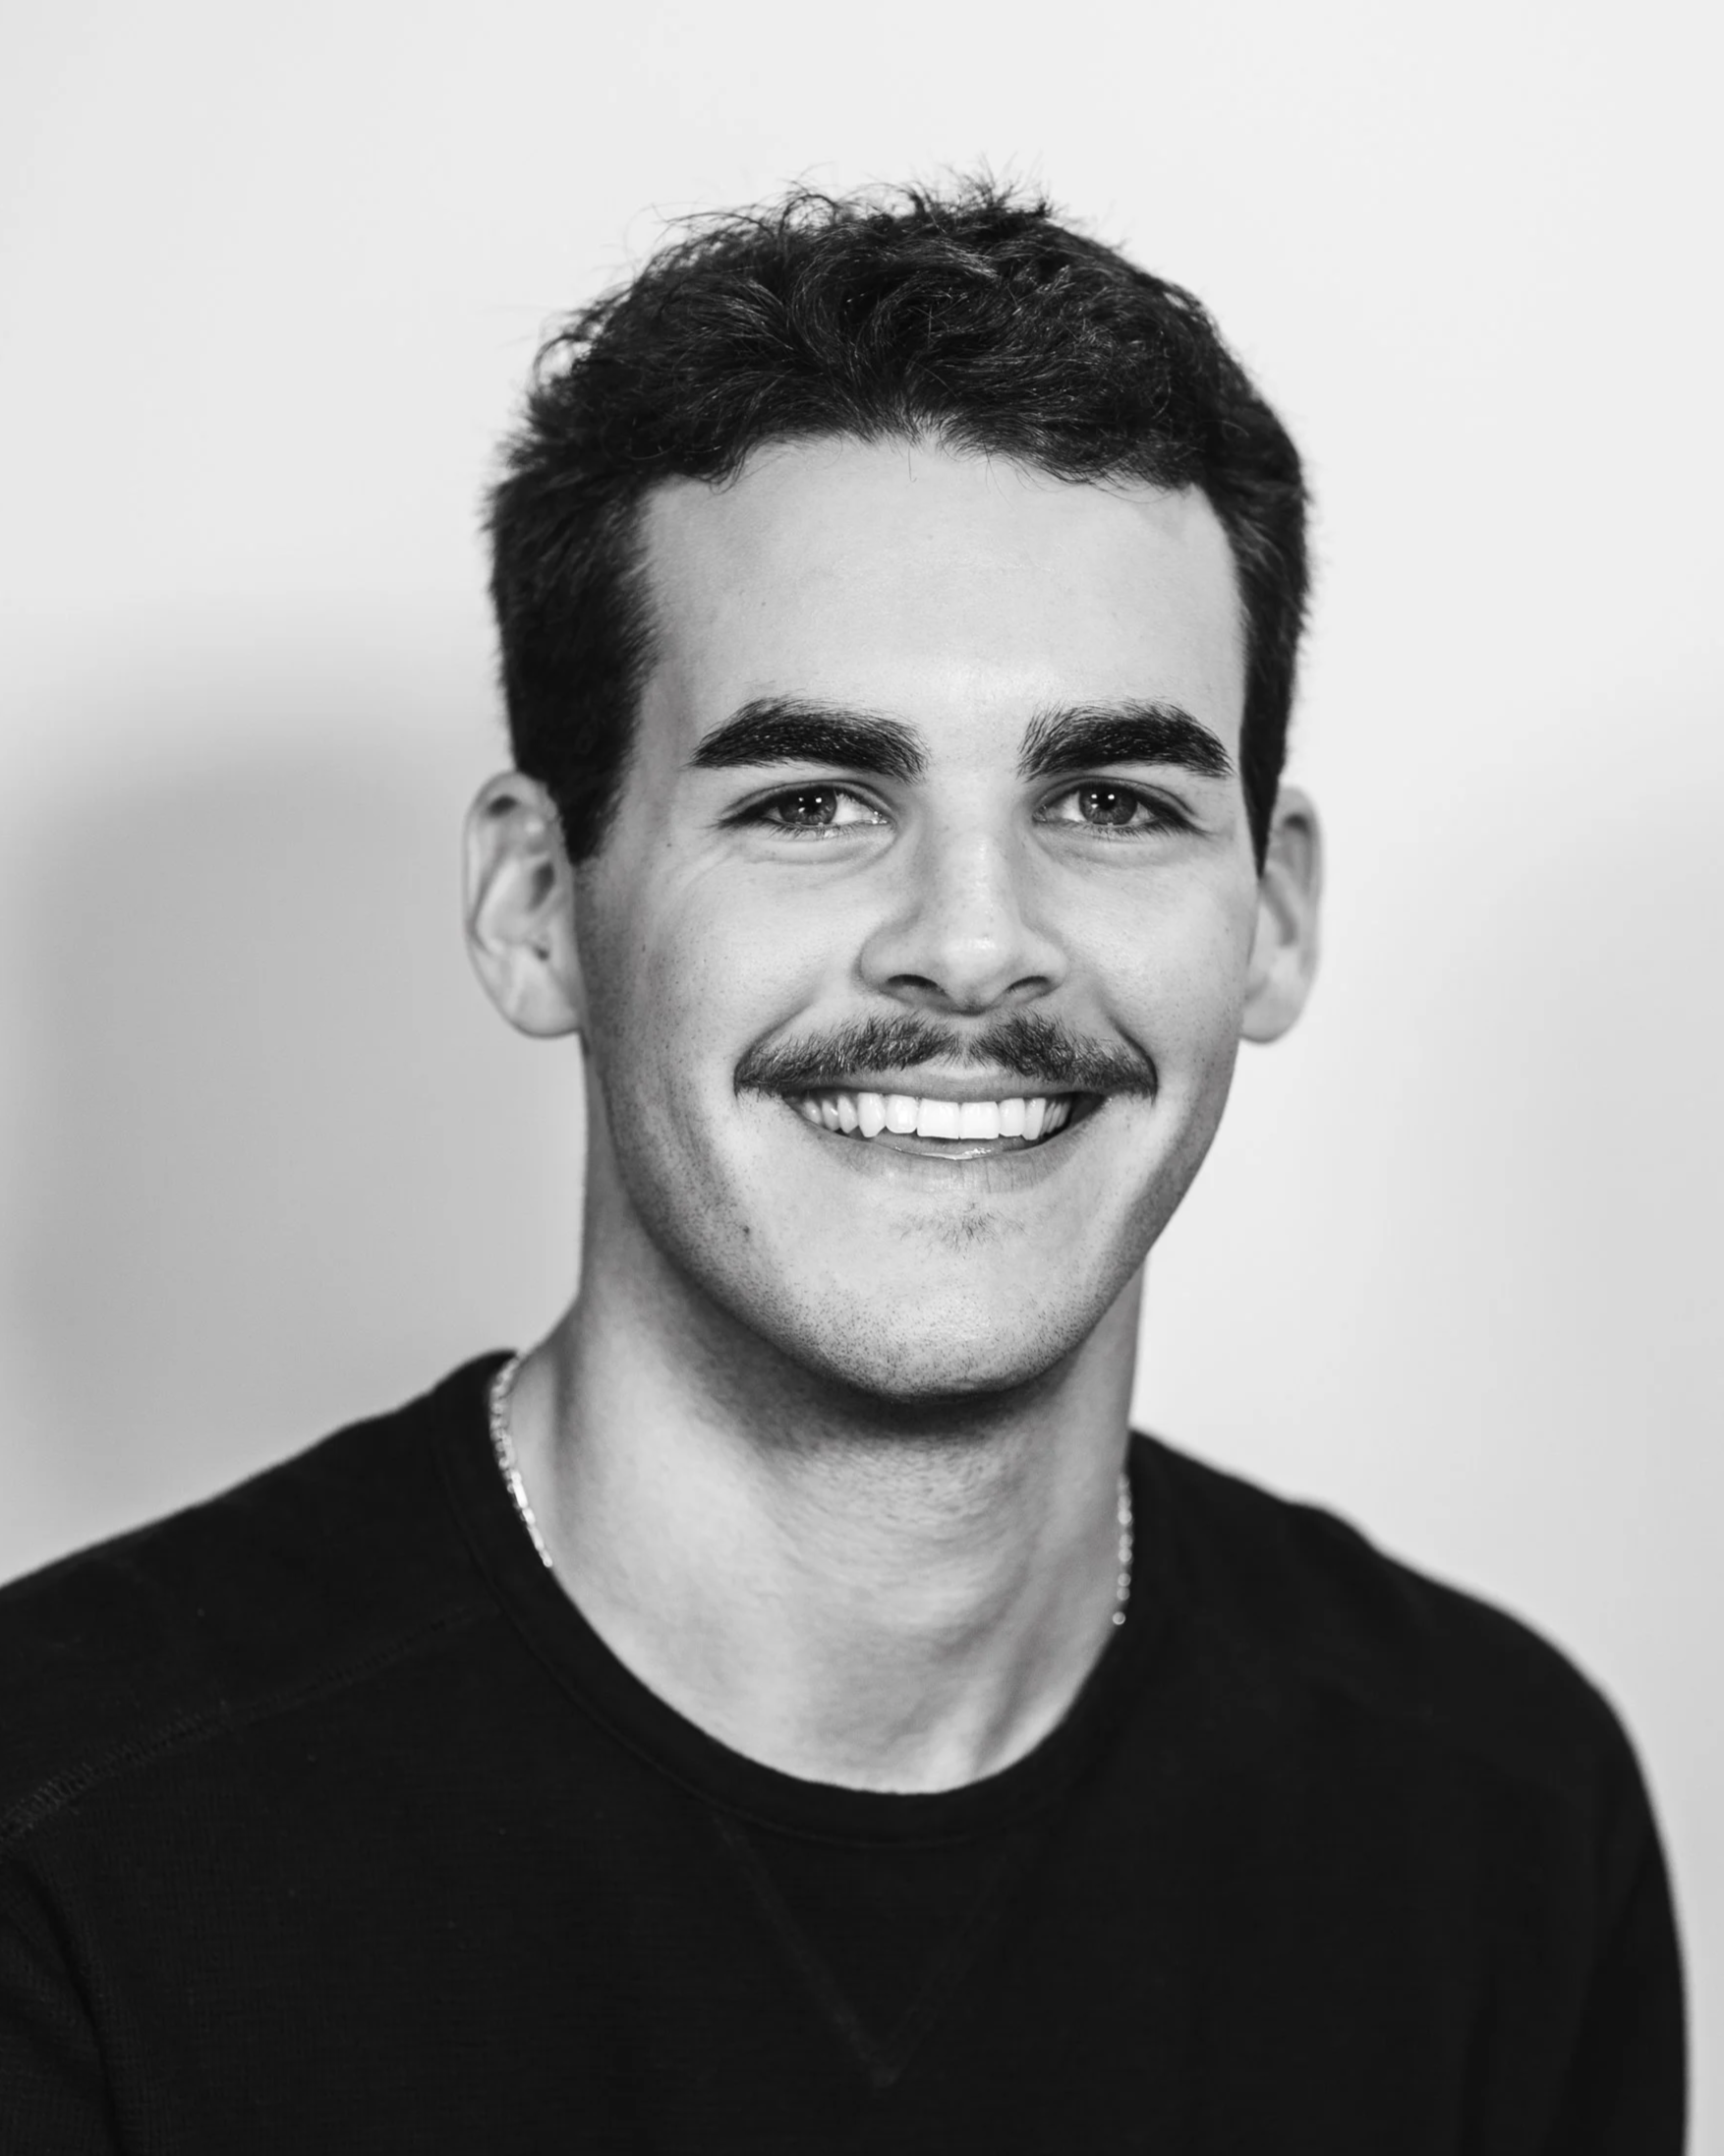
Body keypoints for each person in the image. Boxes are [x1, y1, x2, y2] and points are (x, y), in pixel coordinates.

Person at [0, 182, 1684, 2151]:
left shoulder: (1497, 1819)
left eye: (1109, 799)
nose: (974, 944)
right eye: (812, 798)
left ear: (1275, 914)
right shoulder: (72, 1840)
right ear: (539, 905)